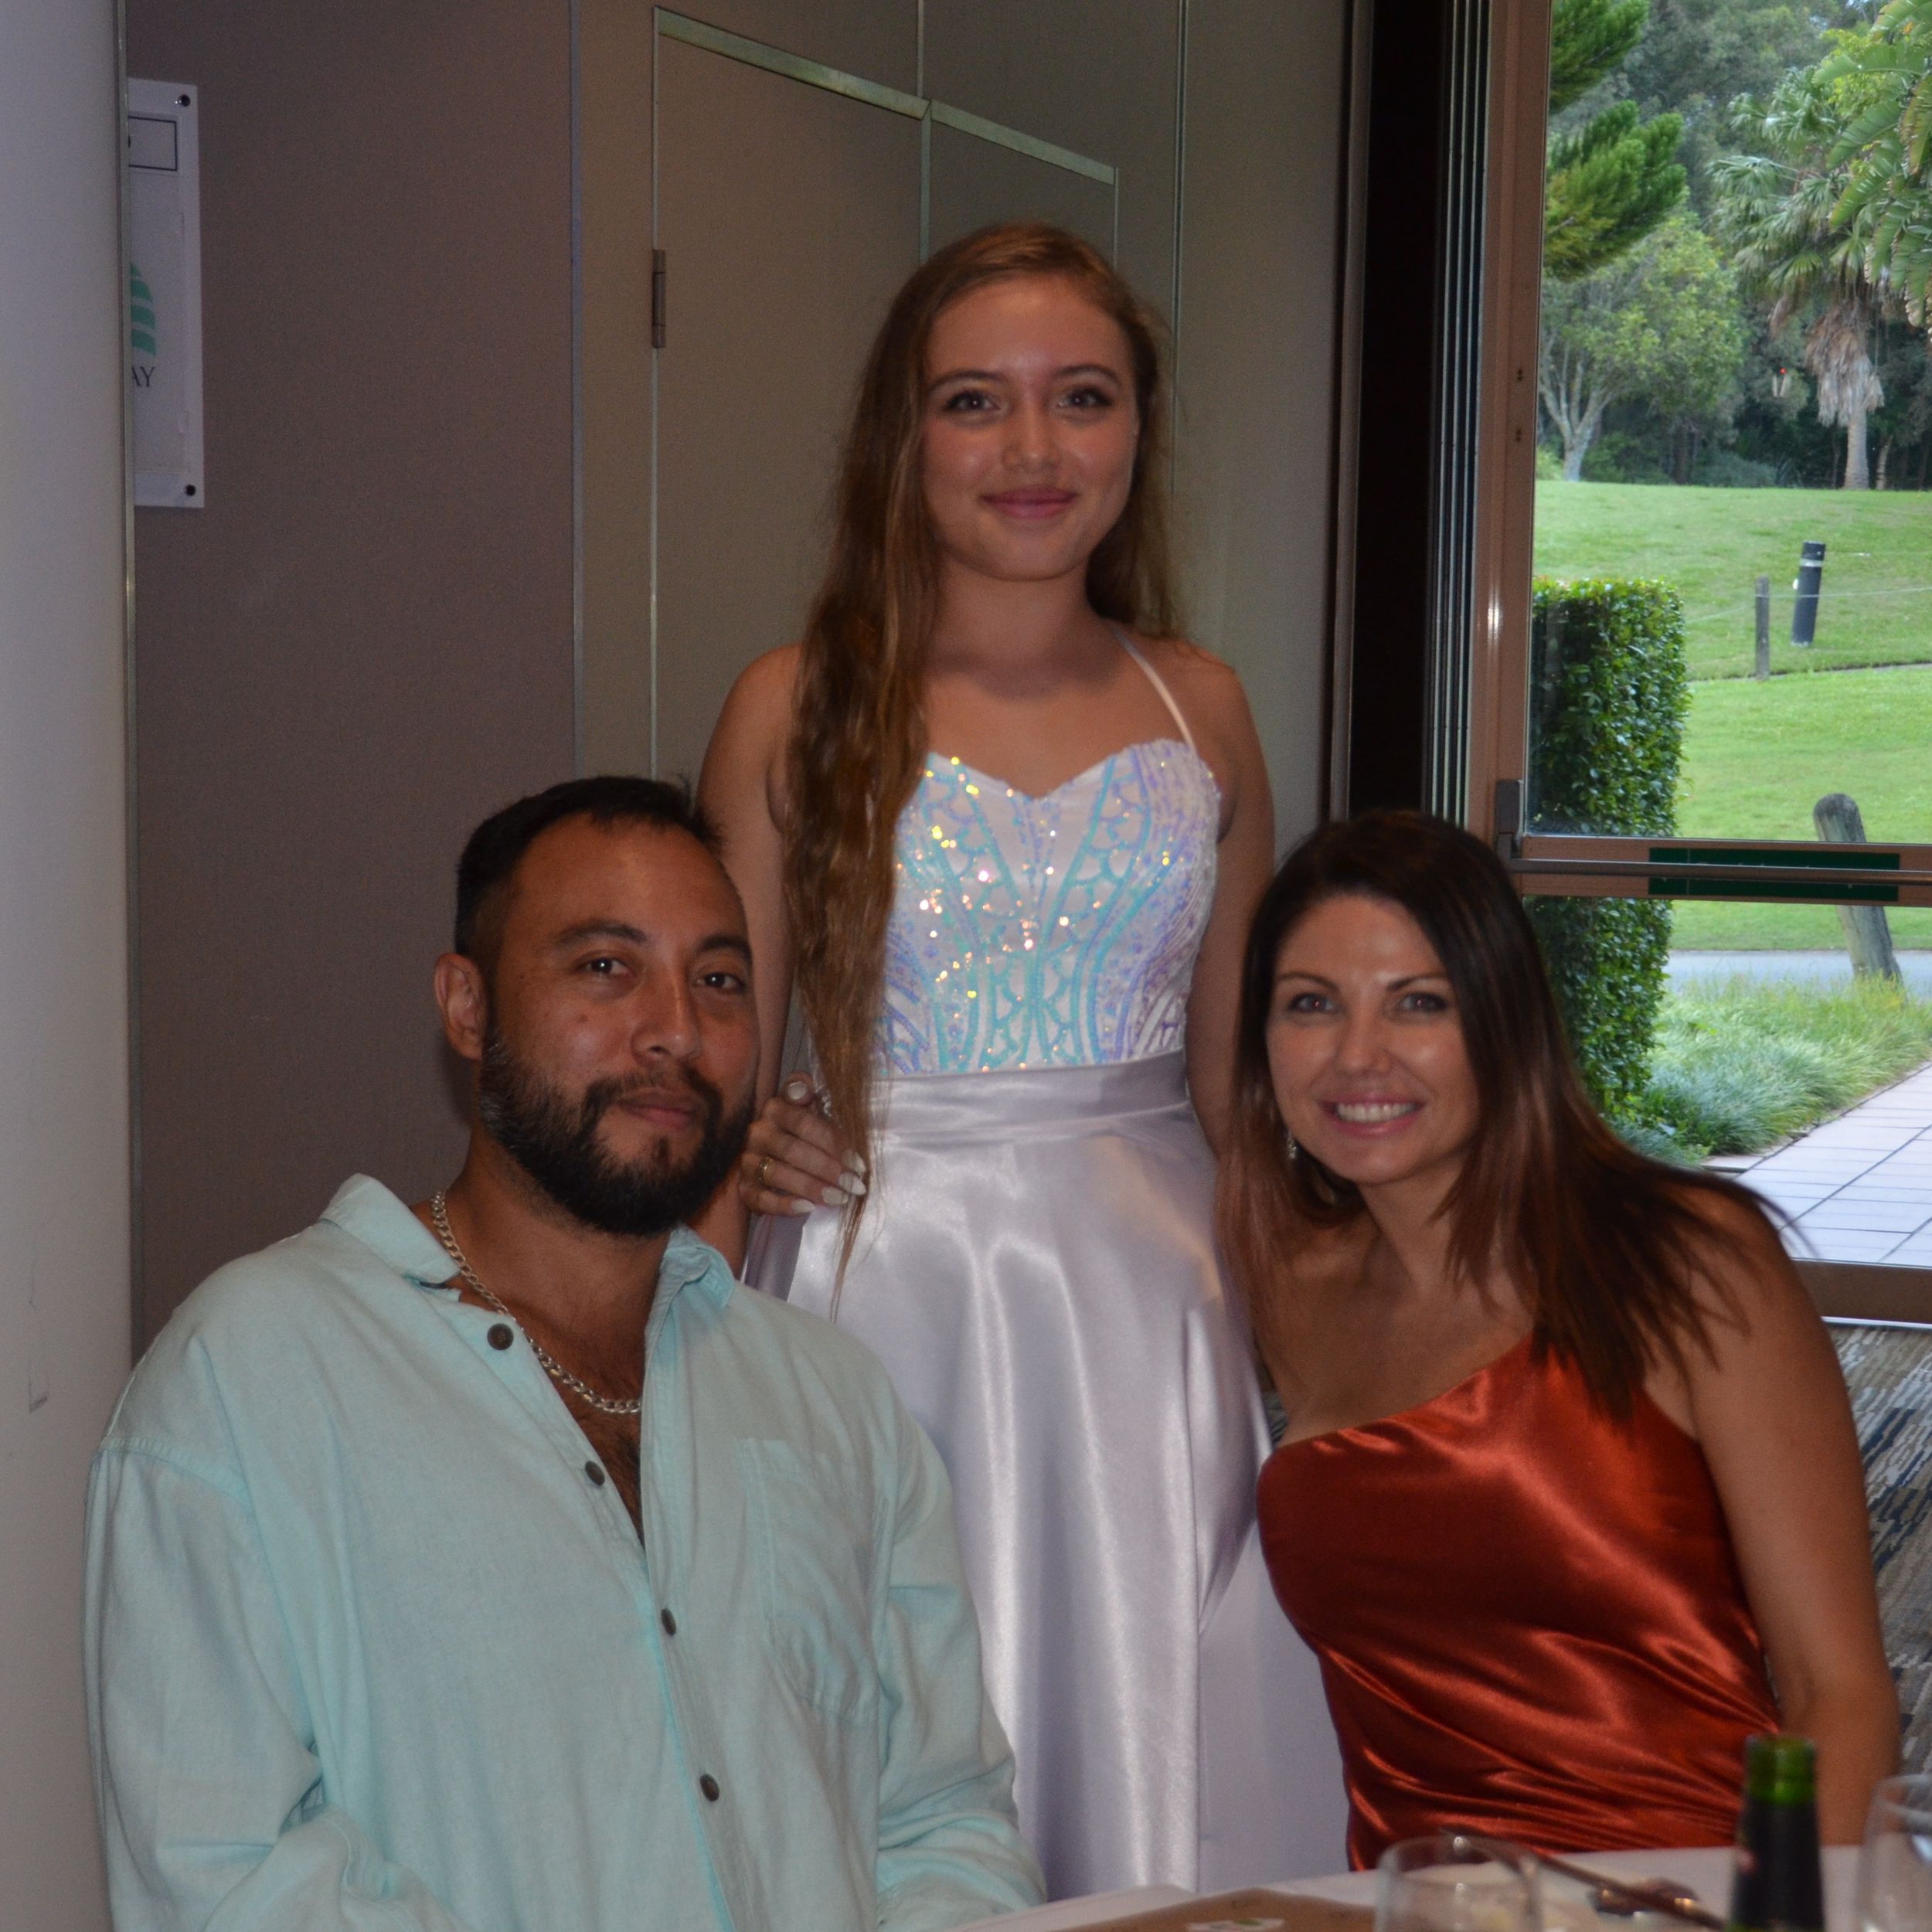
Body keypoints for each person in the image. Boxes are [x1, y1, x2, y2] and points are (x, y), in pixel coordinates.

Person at [83, 776, 1044, 1932]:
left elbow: (943, 1822)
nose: (675, 1029)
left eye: (720, 980)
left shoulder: (832, 1399)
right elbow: (221, 1870)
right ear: (468, 1006)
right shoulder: (251, 1377)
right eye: (604, 967)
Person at [699, 221, 1343, 1896]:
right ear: (902, 437)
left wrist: (1355, 1355)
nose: (1034, 447)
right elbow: (707, 1074)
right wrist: (739, 1176)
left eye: (1084, 396)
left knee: (1150, 1727)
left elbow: (1237, 1092)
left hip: (1152, 1305)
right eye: (975, 401)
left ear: (1138, 429)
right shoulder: (792, 704)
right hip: (878, 1286)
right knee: (876, 1728)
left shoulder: (1203, 706)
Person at [1223, 808, 1899, 1868]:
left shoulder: (1681, 1263)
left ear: (1506, 1023)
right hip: (1417, 1903)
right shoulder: (1290, 1287)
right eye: (1311, 1004)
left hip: (1692, 1894)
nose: (1358, 1056)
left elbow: (1839, 1692)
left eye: (1420, 1003)